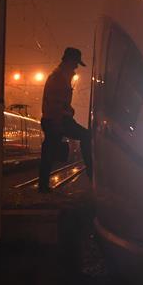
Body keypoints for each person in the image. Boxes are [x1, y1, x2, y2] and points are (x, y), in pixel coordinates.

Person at [38, 47, 92, 192]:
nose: (76, 67)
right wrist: (60, 122)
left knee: (48, 152)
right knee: (87, 136)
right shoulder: (59, 78)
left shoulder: (61, 76)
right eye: (75, 63)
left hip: (55, 119)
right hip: (56, 119)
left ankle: (43, 186)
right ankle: (92, 175)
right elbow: (55, 104)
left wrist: (69, 110)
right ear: (69, 61)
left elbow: (60, 102)